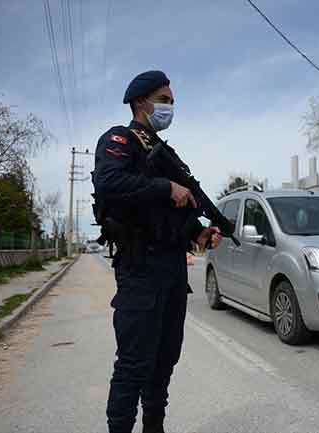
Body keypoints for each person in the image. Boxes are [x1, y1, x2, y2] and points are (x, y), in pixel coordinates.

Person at [92, 70, 221, 433]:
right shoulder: (119, 138)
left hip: (171, 269)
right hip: (140, 267)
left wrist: (198, 233)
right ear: (140, 102)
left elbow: (173, 213)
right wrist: (167, 187)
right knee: (134, 364)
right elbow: (109, 182)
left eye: (172, 101)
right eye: (164, 100)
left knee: (164, 360)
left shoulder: (164, 152)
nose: (169, 107)